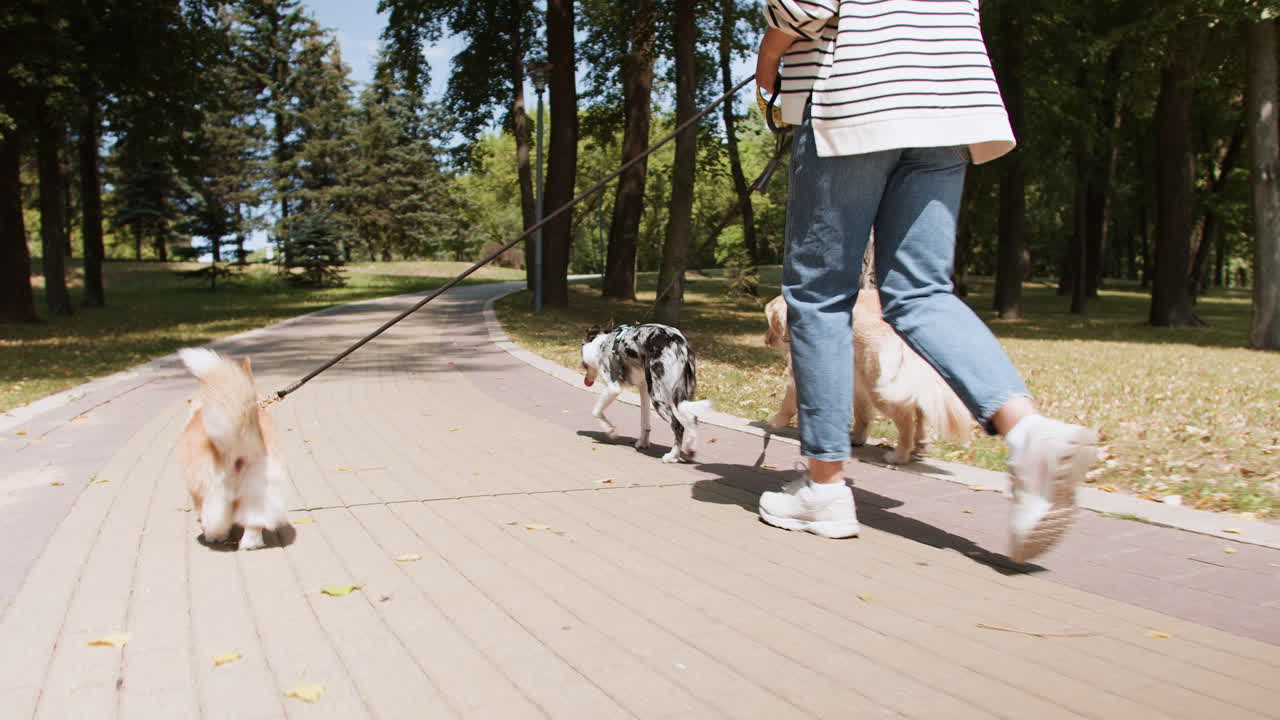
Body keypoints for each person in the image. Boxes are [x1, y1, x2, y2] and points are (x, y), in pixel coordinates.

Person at [754, 0, 1098, 563]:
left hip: (857, 95)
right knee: (920, 292)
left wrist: (770, 54)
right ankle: (1029, 433)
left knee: (818, 296)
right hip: (947, 101)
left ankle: (824, 489)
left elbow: (804, 5)